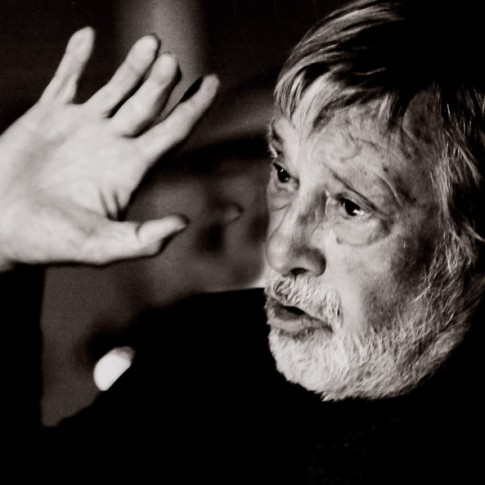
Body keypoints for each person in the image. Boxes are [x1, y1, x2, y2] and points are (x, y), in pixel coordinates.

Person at [2, 0, 484, 483]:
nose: (280, 249)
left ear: (471, 245)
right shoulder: (205, 358)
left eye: (352, 206)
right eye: (284, 175)